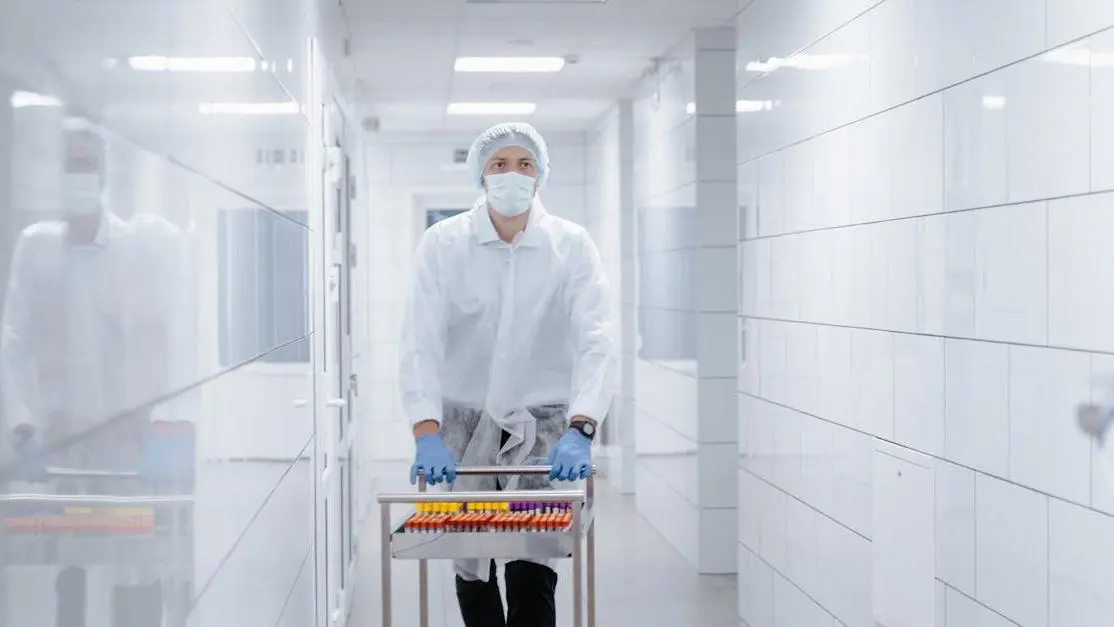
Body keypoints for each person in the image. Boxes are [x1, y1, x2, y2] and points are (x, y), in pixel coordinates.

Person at [399, 122, 617, 627]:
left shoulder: (570, 245)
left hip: (543, 427)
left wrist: (582, 427)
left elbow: (597, 339)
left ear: (539, 177)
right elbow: (419, 341)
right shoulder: (444, 243)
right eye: (499, 164)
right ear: (481, 175)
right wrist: (426, 431)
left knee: (532, 560)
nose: (512, 175)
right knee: (471, 563)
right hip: (461, 422)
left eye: (525, 165)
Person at [0, 150, 194, 626]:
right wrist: (23, 426)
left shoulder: (139, 246)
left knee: (137, 557)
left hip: (129, 436)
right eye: (72, 175)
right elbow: (14, 343)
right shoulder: (37, 248)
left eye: (87, 175)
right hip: (63, 435)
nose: (79, 188)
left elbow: (171, 341)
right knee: (70, 554)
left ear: (102, 183)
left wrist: (167, 430)